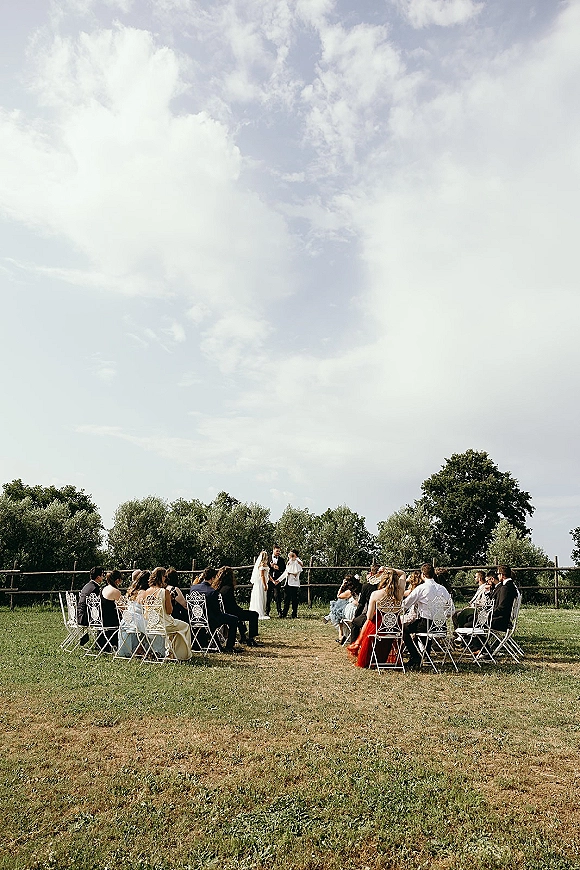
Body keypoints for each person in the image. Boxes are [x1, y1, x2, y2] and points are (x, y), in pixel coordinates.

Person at [347, 568, 405, 668]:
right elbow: (403, 573)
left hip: (379, 629)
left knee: (369, 623)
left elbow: (369, 617)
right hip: (395, 628)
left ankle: (360, 648)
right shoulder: (399, 592)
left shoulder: (375, 594)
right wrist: (389, 569)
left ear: (382, 580)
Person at [403, 563, 454, 670]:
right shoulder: (443, 589)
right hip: (441, 626)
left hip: (426, 625)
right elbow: (451, 609)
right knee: (422, 627)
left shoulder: (421, 588)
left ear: (423, 574)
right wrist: (442, 617)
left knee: (404, 629)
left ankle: (415, 656)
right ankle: (426, 655)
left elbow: (406, 604)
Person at [140, 567, 192, 660]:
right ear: (160, 577)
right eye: (164, 576)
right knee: (185, 626)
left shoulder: (147, 592)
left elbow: (147, 610)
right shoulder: (165, 592)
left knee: (173, 631)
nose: (166, 579)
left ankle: (171, 652)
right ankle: (182, 655)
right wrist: (169, 600)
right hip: (165, 624)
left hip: (151, 624)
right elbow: (169, 611)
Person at [190, 568, 240, 652]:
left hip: (195, 619)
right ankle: (229, 647)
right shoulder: (212, 592)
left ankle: (218, 645)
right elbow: (217, 612)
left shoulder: (193, 588)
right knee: (234, 619)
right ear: (213, 578)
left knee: (213, 618)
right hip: (210, 620)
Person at [213, 566, 261, 646]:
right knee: (254, 615)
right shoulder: (229, 588)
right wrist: (240, 610)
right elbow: (233, 606)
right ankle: (251, 639)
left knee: (241, 616)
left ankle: (243, 637)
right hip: (231, 612)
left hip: (222, 611)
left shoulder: (217, 587)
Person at [117, 570, 149, 658]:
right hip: (137, 621)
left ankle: (140, 648)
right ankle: (154, 651)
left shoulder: (132, 591)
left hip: (127, 620)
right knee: (154, 628)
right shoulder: (144, 593)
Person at [77, 566, 104, 645]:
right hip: (87, 618)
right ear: (98, 577)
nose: (103, 576)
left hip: (79, 615)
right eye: (103, 575)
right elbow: (97, 606)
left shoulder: (87, 586)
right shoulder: (95, 588)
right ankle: (102, 643)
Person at [489, 565, 519, 631]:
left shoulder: (505, 588)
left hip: (500, 621)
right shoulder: (512, 586)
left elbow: (501, 608)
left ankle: (475, 641)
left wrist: (488, 613)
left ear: (502, 575)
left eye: (498, 574)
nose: (497, 576)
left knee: (469, 621)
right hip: (503, 619)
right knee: (471, 618)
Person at [99, 569, 122, 649]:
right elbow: (122, 607)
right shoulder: (116, 591)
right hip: (111, 621)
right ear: (117, 580)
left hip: (102, 618)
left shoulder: (103, 589)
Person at [280, 550, 303, 618]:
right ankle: (284, 613)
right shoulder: (289, 561)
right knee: (286, 598)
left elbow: (298, 570)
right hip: (288, 582)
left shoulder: (298, 561)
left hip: (294, 583)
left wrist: (295, 559)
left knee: (294, 599)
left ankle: (294, 613)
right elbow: (286, 570)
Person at [249, 551, 270, 619]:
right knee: (260, 596)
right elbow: (262, 576)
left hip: (264, 581)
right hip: (261, 583)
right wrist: (264, 585)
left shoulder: (265, 564)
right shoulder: (262, 565)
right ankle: (259, 612)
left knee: (263, 597)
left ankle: (261, 611)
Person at [267, 546, 286, 617]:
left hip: (277, 580)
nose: (278, 553)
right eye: (277, 551)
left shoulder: (281, 560)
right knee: (268, 596)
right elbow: (264, 568)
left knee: (277, 595)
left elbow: (284, 569)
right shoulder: (268, 558)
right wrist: (270, 566)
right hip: (269, 579)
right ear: (273, 550)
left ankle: (279, 611)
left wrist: (278, 568)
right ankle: (267, 611)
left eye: (279, 551)